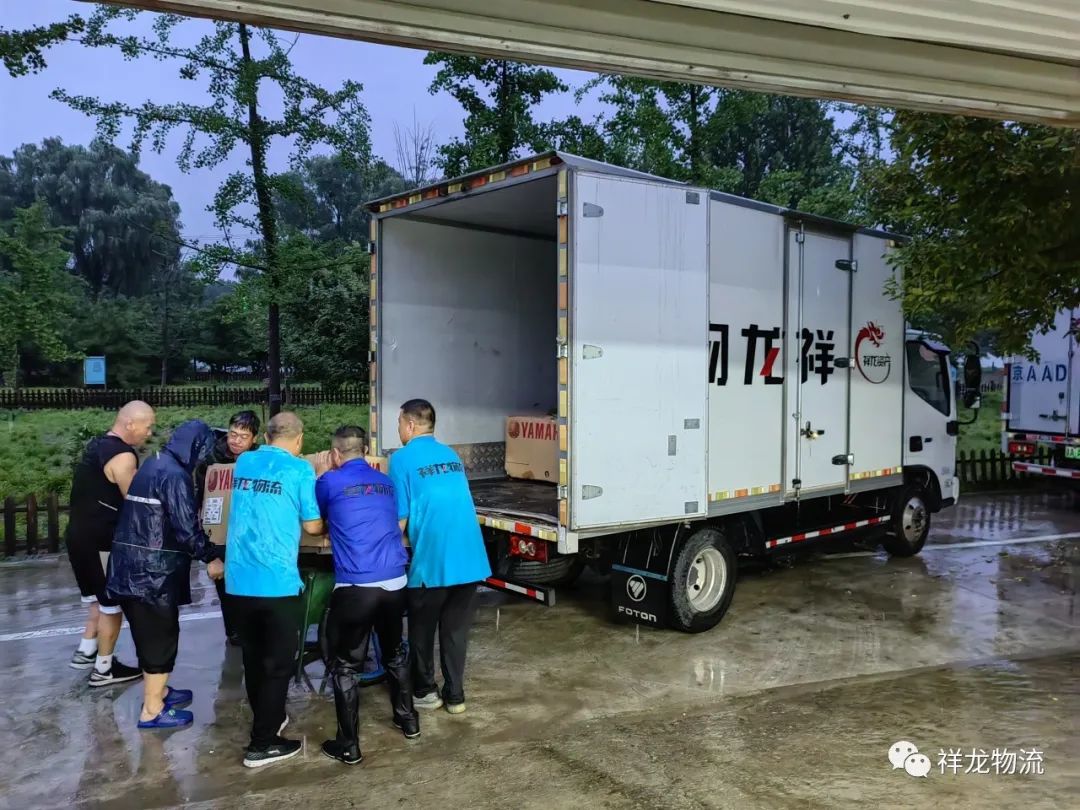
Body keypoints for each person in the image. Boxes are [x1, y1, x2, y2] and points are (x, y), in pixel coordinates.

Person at [107, 420, 226, 729]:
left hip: (129, 569)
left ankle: (158, 691)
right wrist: (211, 556)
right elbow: (186, 529)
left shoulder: (155, 462)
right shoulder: (174, 476)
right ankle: (152, 709)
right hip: (152, 575)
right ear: (196, 447)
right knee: (161, 639)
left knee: (148, 636)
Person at [225, 411, 323, 769]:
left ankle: (270, 719)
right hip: (277, 583)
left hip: (238, 581)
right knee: (279, 664)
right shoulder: (300, 470)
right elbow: (312, 526)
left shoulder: (245, 462)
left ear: (265, 436)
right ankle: (262, 744)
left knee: (253, 659)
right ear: (299, 440)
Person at [316, 425, 418, 765]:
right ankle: (408, 721)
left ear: (335, 454)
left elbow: (318, 522)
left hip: (356, 586)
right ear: (363, 451)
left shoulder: (329, 481)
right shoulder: (386, 482)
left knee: (345, 666)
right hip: (396, 581)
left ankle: (349, 745)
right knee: (395, 653)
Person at [388, 399, 491, 715]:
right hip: (470, 558)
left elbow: (400, 519)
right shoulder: (451, 455)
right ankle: (456, 696)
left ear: (409, 425)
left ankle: (425, 692)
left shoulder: (401, 459)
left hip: (433, 559)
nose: (398, 429)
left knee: (421, 628)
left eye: (399, 423)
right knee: (455, 631)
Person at [66, 400, 155, 686]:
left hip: (78, 536)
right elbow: (135, 501)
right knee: (111, 606)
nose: (149, 433)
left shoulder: (97, 445)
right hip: (102, 540)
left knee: (97, 598)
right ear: (130, 423)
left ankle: (86, 651)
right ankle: (104, 669)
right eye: (147, 426)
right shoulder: (123, 456)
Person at [194, 410, 260, 647]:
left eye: (243, 436)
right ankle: (234, 632)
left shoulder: (259, 459)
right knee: (226, 587)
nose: (236, 441)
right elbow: (198, 499)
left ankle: (252, 628)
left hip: (251, 535)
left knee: (251, 585)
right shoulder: (211, 459)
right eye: (233, 434)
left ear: (254, 438)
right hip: (220, 536)